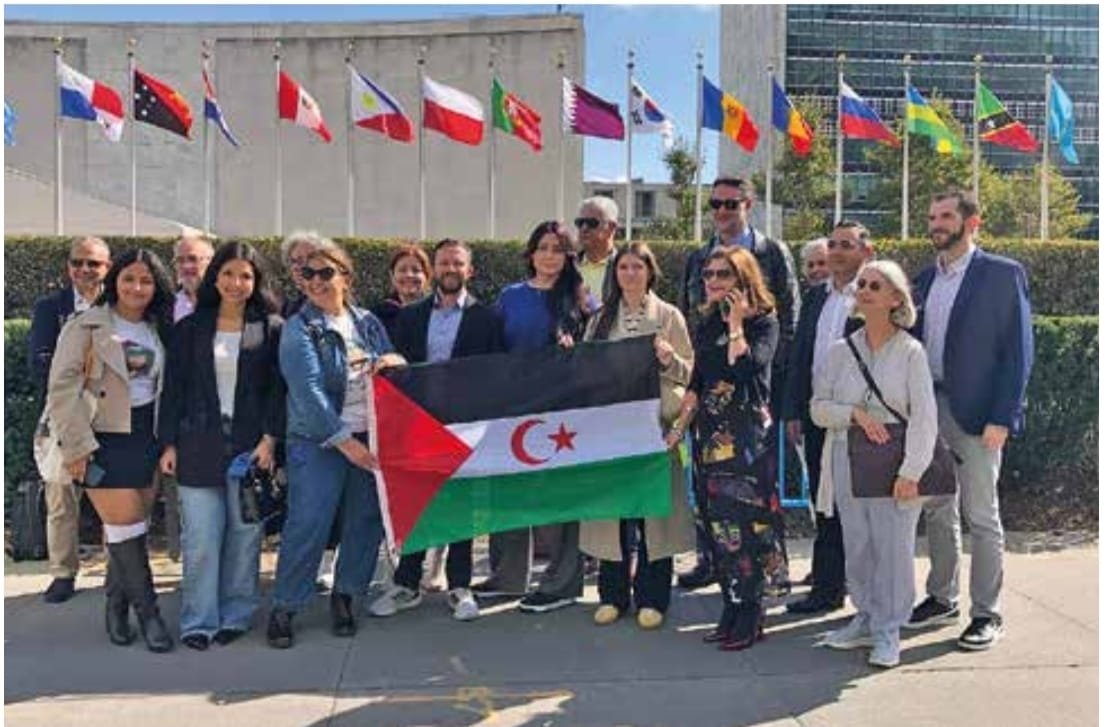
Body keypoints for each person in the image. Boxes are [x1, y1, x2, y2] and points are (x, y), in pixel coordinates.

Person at [905, 189, 1034, 651]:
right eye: (932, 216)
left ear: (971, 222)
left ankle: (987, 612)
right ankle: (942, 598)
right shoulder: (923, 279)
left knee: (982, 515)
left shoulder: (1001, 274)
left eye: (945, 216)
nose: (936, 224)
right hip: (930, 408)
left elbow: (1017, 353)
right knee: (938, 508)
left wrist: (1004, 416)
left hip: (979, 415)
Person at [267, 240, 405, 649]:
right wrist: (346, 444)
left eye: (325, 273)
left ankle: (347, 596)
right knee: (309, 523)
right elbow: (308, 394)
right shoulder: (299, 328)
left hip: (372, 435)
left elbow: (391, 362)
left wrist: (394, 361)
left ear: (346, 276)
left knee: (365, 522)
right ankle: (286, 605)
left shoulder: (366, 321)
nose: (316, 282)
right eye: (307, 275)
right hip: (319, 442)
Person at [367, 239, 505, 622]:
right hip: (417, 425)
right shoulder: (410, 317)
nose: (450, 268)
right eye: (443, 262)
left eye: (457, 263)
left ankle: (461, 586)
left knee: (462, 507)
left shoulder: (488, 319)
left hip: (466, 427)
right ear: (435, 270)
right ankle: (406, 584)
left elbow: (497, 373)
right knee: (417, 504)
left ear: (469, 270)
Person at [45, 249, 176, 652]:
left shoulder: (160, 327)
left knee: (131, 528)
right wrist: (77, 448)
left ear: (156, 287)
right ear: (115, 281)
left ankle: (116, 603)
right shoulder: (85, 325)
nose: (137, 287)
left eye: (146, 281)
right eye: (129, 279)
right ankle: (150, 615)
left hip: (146, 436)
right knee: (126, 529)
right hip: (101, 437)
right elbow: (62, 389)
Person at [158, 241, 285, 651]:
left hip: (250, 448)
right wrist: (168, 443)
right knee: (201, 539)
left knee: (245, 536)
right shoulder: (191, 328)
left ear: (256, 281)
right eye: (228, 274)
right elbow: (172, 390)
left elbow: (277, 392)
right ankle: (199, 620)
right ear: (215, 278)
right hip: (197, 445)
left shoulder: (271, 328)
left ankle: (237, 614)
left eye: (245, 275)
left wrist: (270, 439)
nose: (236, 282)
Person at [810, 260, 937, 669]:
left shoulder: (911, 352)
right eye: (861, 284)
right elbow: (817, 409)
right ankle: (864, 617)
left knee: (894, 549)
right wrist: (855, 414)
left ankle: (889, 629)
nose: (863, 290)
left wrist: (911, 472)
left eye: (874, 285)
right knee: (859, 545)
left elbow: (924, 418)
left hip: (895, 462)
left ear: (896, 298)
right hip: (847, 458)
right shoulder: (839, 352)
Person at [677, 176, 799, 594]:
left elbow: (788, 321)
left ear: (748, 204)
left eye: (731, 203)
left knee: (754, 501)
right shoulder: (700, 256)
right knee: (712, 497)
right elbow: (689, 315)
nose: (722, 211)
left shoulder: (772, 252)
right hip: (710, 401)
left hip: (751, 397)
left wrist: (764, 384)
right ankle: (715, 561)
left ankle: (766, 578)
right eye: (715, 204)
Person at [472, 220, 591, 612]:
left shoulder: (582, 301)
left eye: (558, 249)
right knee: (508, 494)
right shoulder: (509, 296)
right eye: (542, 247)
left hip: (560, 415)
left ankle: (561, 581)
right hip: (511, 410)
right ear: (530, 253)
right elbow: (491, 350)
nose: (549, 256)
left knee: (557, 499)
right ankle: (507, 576)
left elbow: (596, 356)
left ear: (569, 256)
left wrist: (576, 351)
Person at [666, 247, 780, 651]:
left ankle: (752, 612)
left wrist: (736, 324)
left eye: (723, 275)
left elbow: (746, 368)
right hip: (710, 439)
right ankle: (731, 607)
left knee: (747, 528)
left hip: (746, 440)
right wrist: (680, 426)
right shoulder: (706, 322)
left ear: (744, 279)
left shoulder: (763, 322)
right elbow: (698, 378)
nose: (713, 281)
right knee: (720, 529)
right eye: (709, 274)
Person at [580, 242, 695, 630]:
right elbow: (585, 372)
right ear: (615, 273)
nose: (630, 273)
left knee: (653, 520)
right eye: (623, 267)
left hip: (656, 433)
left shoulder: (670, 316)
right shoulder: (599, 320)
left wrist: (667, 358)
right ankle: (612, 595)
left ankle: (653, 598)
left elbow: (691, 373)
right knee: (614, 518)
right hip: (613, 434)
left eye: (637, 267)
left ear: (650, 271)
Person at [784, 221, 873, 615]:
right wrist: (792, 410)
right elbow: (800, 357)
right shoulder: (817, 296)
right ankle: (826, 588)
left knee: (865, 509)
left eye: (846, 245)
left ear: (866, 252)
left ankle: (869, 593)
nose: (836, 253)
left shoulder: (875, 294)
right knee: (826, 506)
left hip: (863, 421)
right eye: (833, 245)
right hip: (820, 417)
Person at [28, 235, 112, 604]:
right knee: (60, 495)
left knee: (115, 494)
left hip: (111, 412)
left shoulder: (119, 303)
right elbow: (39, 363)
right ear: (68, 267)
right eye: (78, 262)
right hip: (65, 412)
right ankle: (63, 572)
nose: (84, 269)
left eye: (93, 263)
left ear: (107, 267)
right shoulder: (51, 308)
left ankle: (117, 570)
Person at [371, 243, 432, 338]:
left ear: (427, 277)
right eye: (402, 270)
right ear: (392, 276)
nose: (409, 275)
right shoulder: (376, 316)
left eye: (416, 270)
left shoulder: (437, 313)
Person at [574, 195, 619, 305]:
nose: (584, 228)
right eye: (580, 223)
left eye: (591, 223)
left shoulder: (626, 268)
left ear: (611, 227)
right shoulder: (567, 266)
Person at [279, 230, 325, 319]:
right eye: (294, 261)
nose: (298, 267)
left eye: (309, 259)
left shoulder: (333, 302)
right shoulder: (290, 305)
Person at [171, 233, 215, 322]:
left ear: (211, 263)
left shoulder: (225, 303)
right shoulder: (169, 306)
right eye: (180, 260)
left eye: (193, 259)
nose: (186, 266)